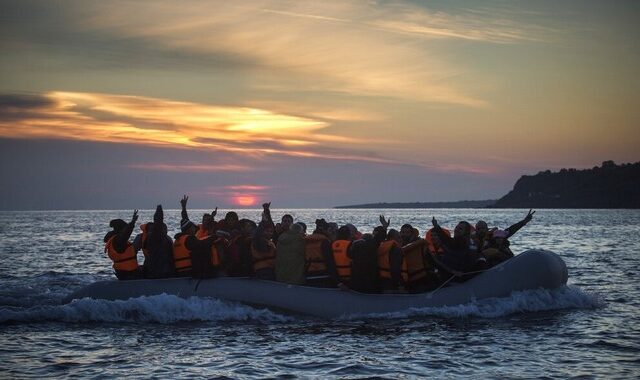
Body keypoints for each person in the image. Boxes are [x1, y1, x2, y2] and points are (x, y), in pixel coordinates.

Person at [104, 210, 142, 280]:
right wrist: (133, 221)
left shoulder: (114, 239)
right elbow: (126, 233)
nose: (125, 230)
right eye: (124, 228)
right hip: (128, 273)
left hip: (123, 272)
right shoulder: (118, 240)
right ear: (121, 229)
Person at [348, 227, 386, 293]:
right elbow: (379, 238)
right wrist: (384, 227)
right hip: (371, 281)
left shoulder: (355, 248)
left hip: (356, 282)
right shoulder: (372, 248)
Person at [303, 219, 339, 287]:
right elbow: (329, 262)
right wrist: (338, 282)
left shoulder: (306, 241)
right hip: (323, 275)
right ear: (325, 230)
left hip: (309, 274)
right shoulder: (325, 242)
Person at [142, 205, 175, 279]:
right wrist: (159, 212)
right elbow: (158, 223)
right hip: (160, 270)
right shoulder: (154, 237)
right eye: (163, 229)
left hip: (162, 270)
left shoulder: (166, 239)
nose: (165, 231)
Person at [376, 216, 405, 292]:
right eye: (398, 237)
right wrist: (399, 284)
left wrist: (384, 227)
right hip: (390, 281)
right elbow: (395, 269)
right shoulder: (395, 249)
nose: (401, 239)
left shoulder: (382, 246)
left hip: (381, 279)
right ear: (392, 238)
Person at [251, 202, 277, 280]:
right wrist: (263, 222)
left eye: (271, 232)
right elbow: (258, 233)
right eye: (267, 231)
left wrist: (267, 211)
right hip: (263, 270)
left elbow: (271, 226)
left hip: (269, 268)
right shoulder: (259, 241)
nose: (270, 233)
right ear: (262, 231)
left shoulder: (268, 240)